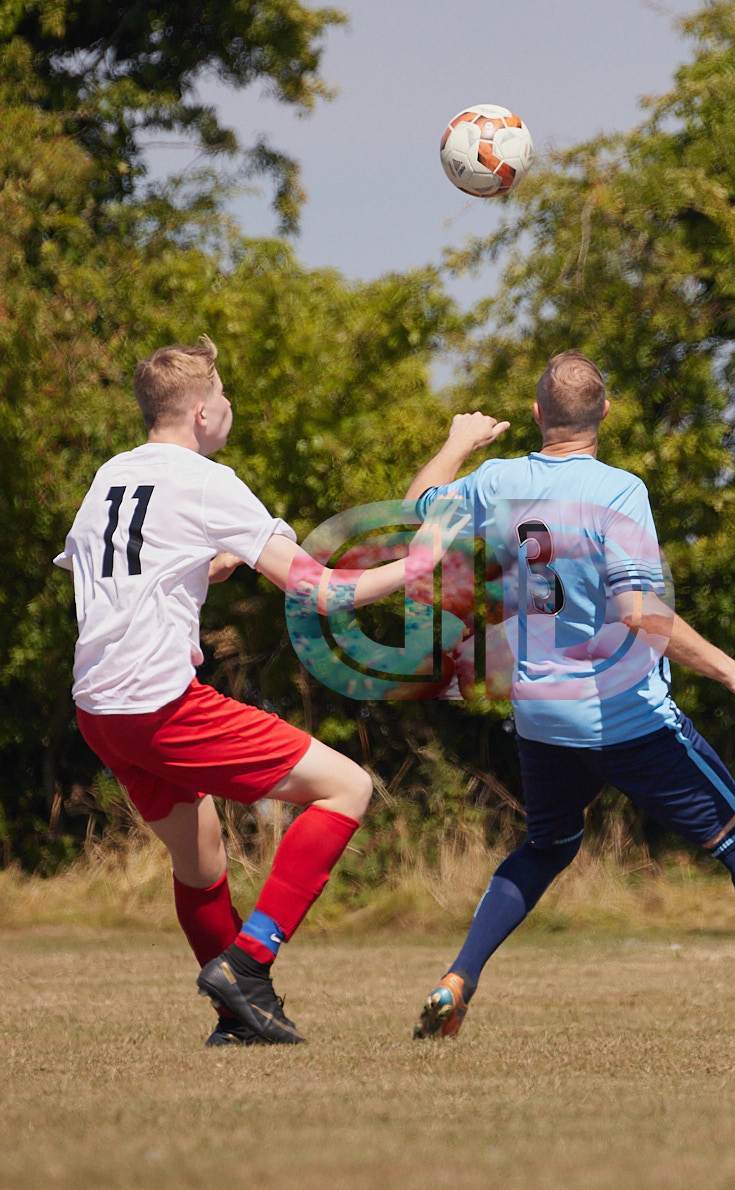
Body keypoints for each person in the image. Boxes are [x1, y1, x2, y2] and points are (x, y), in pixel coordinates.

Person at [407, 351, 735, 1041]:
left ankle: (457, 979)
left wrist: (458, 442)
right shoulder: (618, 491)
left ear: (536, 413)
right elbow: (640, 613)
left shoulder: (497, 480)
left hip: (540, 714)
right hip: (623, 714)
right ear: (605, 413)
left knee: (548, 844)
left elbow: (417, 510)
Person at [55, 335, 459, 1046]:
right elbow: (323, 594)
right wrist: (419, 564)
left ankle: (236, 1019)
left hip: (99, 708)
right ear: (202, 413)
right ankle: (248, 964)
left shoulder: (111, 475)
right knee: (348, 788)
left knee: (202, 855)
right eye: (224, 395)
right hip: (160, 703)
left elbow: (118, 568)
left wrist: (209, 563)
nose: (229, 406)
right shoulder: (207, 480)